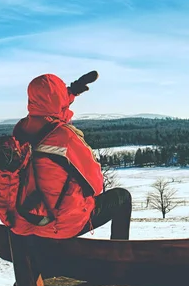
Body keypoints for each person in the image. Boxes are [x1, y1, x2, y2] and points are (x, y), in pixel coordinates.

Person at [12, 71, 131, 240]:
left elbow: (46, 107)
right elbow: (95, 185)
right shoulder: (65, 137)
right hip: (60, 225)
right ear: (59, 99)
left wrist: (71, 91)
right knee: (122, 197)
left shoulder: (21, 130)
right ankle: (120, 256)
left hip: (28, 221)